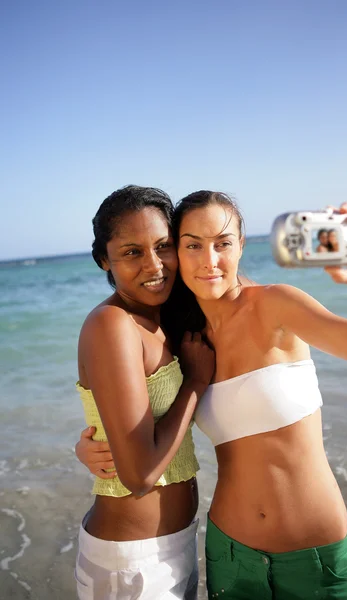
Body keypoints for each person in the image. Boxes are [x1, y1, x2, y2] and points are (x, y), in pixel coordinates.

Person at [77, 191, 347, 599]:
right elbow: (131, 403)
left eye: (223, 243)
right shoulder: (182, 336)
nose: (209, 260)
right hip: (231, 555)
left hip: (316, 553)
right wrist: (93, 442)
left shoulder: (276, 304)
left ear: (242, 245)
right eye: (192, 244)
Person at [74, 185, 214, 600]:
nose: (155, 265)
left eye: (163, 246)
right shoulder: (111, 324)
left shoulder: (162, 320)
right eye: (132, 252)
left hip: (174, 544)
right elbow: (138, 477)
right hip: (130, 563)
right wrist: (195, 382)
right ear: (105, 260)